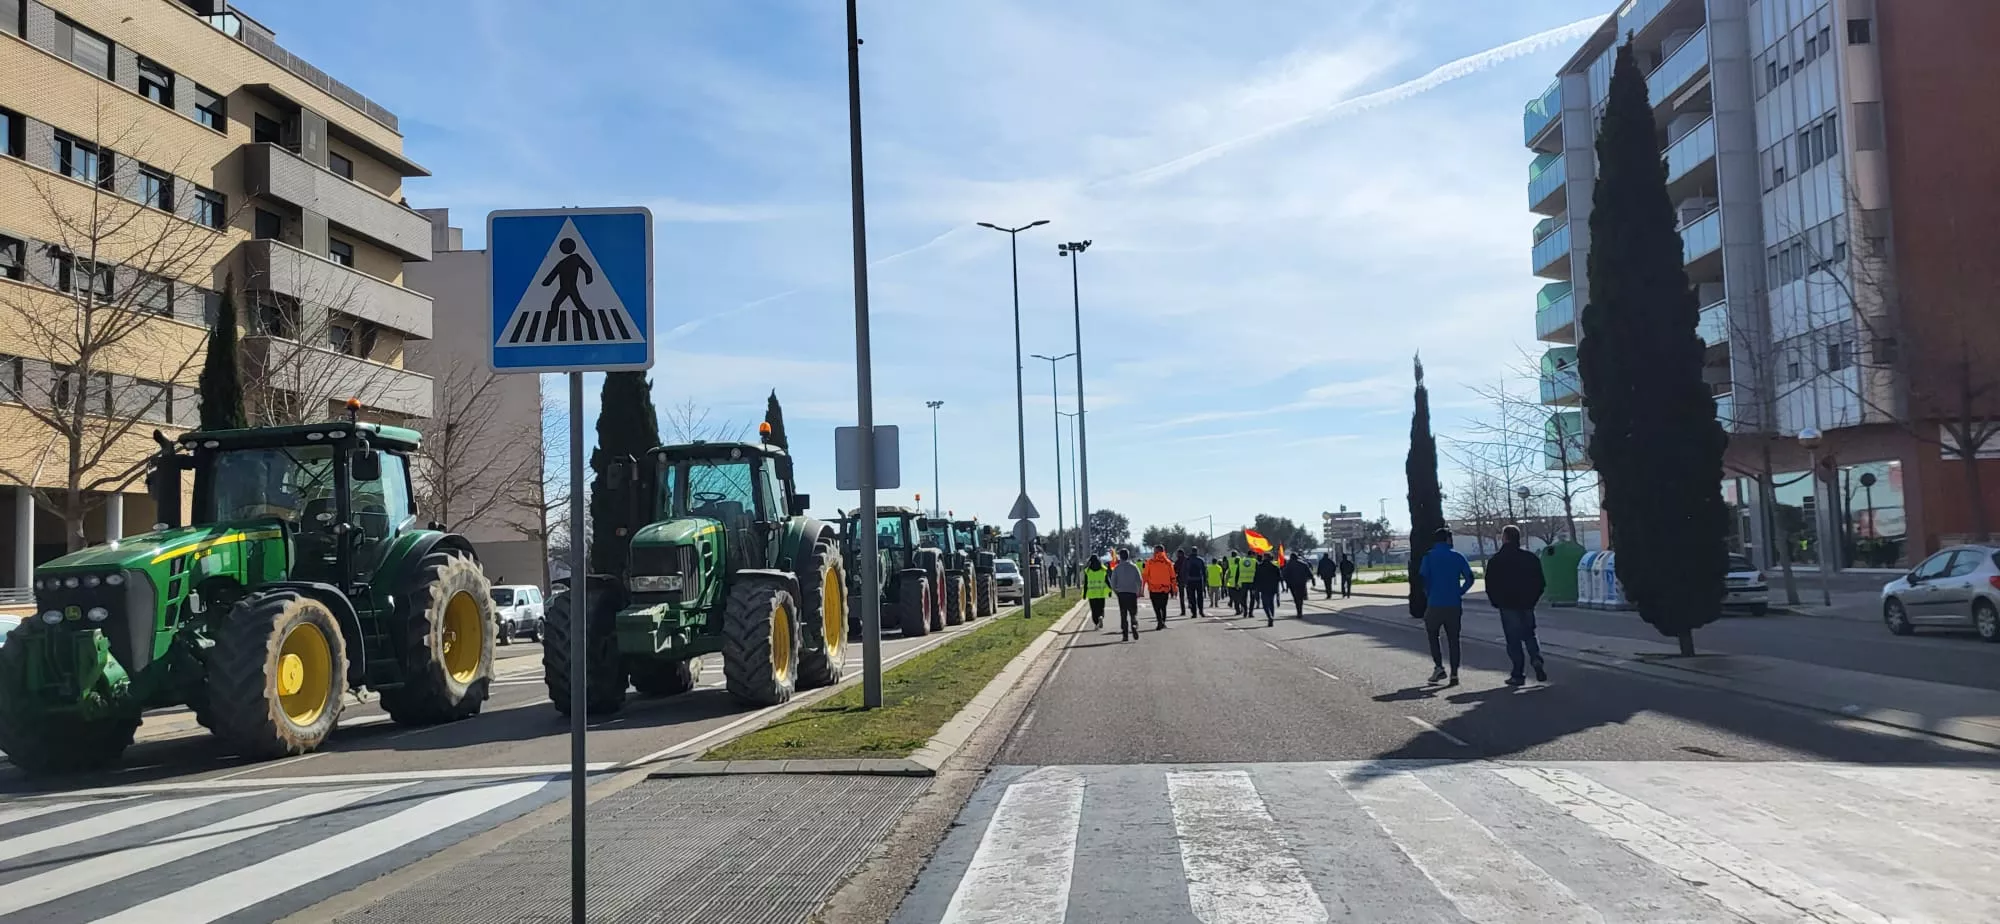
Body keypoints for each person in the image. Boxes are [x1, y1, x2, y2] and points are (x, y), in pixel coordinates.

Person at [1485, 524, 1549, 686]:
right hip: (1527, 603)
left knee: (1513, 640)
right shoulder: (1530, 558)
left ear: (1504, 538)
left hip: (1507, 604)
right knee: (1529, 634)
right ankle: (1536, 658)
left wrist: (1496, 601)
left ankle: (1518, 674)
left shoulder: (1496, 560)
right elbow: (1540, 582)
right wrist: (1533, 600)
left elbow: (1490, 585)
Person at [1417, 527, 1476, 685]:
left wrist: (1429, 593)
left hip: (1435, 603)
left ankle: (1439, 667)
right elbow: (1470, 578)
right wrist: (1460, 591)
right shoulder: (1458, 556)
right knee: (1453, 639)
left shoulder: (1429, 557)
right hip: (1453, 604)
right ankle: (1454, 673)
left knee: (1432, 634)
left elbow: (1423, 579)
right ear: (1448, 539)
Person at [1108, 547, 1144, 641]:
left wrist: (1116, 591)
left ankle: (1125, 634)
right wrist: (1139, 591)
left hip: (1122, 593)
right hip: (1132, 593)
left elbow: (1113, 582)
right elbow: (1139, 580)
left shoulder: (1117, 568)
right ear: (1128, 556)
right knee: (1133, 613)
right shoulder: (1134, 567)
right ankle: (1134, 624)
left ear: (1120, 556)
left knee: (1123, 614)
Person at [1143, 545, 1177, 630]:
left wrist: (1142, 588)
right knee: (1163, 607)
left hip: (1153, 588)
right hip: (1165, 589)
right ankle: (1163, 622)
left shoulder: (1150, 562)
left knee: (1156, 607)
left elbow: (1145, 576)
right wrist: (1174, 588)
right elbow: (1173, 577)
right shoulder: (1168, 563)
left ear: (1155, 552)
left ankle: (1159, 621)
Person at [1251, 553, 1282, 625]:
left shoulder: (1260, 567)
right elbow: (1280, 578)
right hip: (1272, 588)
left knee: (1265, 604)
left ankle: (1269, 616)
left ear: (1264, 558)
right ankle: (1272, 617)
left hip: (1263, 588)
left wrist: (1254, 587)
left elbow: (1256, 578)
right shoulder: (1275, 567)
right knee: (1271, 603)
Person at [1082, 555, 1110, 630]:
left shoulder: (1088, 571)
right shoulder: (1103, 570)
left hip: (1092, 594)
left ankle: (1096, 623)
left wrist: (1084, 594)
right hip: (1101, 593)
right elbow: (1107, 581)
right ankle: (1101, 616)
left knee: (1094, 610)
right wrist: (1110, 590)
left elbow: (1086, 584)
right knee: (1101, 608)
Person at [1178, 547, 1207, 618]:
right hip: (1199, 580)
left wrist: (1184, 581)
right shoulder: (1200, 560)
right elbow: (1204, 572)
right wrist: (1205, 581)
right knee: (1200, 597)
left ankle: (1194, 613)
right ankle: (1201, 611)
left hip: (1190, 581)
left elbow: (1183, 571)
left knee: (1192, 597)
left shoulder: (1187, 560)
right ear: (1197, 551)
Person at [1173, 549, 1190, 616]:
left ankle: (1183, 611)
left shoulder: (1177, 562)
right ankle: (1190, 605)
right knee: (1189, 594)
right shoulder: (1188, 560)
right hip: (1188, 580)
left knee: (1182, 596)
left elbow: (1174, 571)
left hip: (1181, 580)